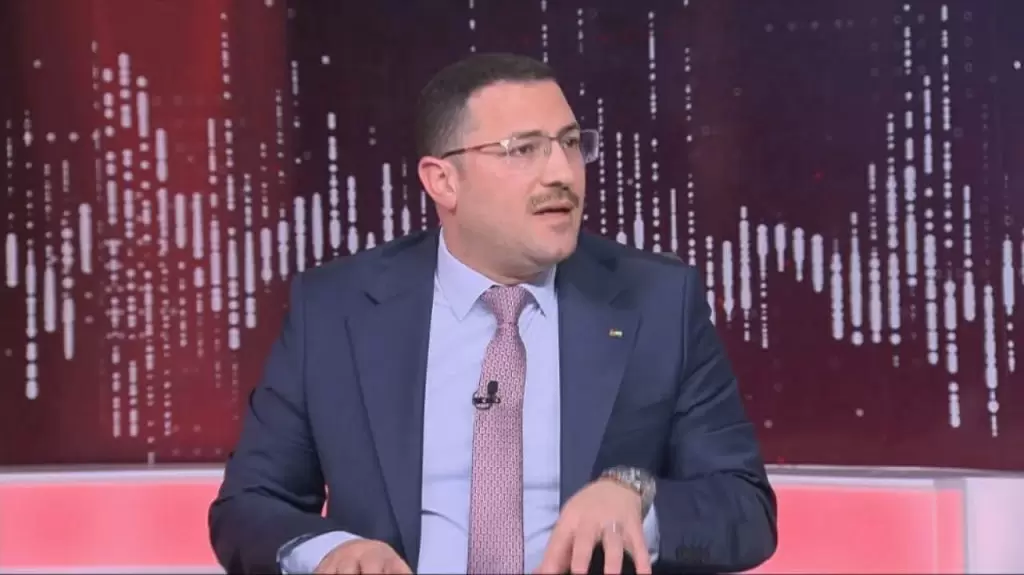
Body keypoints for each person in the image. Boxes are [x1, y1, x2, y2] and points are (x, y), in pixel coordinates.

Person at [208, 52, 777, 575]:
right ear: (443, 181)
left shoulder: (657, 301)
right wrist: (333, 553)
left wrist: (635, 502)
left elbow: (744, 507)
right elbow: (250, 504)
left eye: (570, 143)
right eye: (523, 149)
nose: (562, 172)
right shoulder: (336, 309)